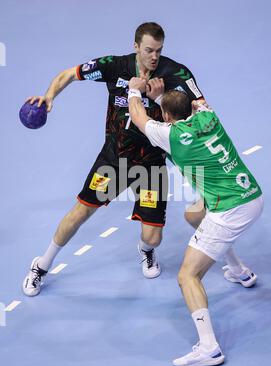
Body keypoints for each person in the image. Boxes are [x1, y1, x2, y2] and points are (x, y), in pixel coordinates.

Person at [22, 22, 206, 296]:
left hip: (151, 163)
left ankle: (145, 251)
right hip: (115, 159)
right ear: (135, 47)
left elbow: (201, 108)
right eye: (148, 50)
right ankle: (42, 264)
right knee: (80, 212)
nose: (154, 57)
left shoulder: (175, 73)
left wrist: (167, 101)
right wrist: (49, 95)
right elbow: (69, 74)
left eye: (158, 50)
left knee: (153, 237)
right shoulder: (114, 66)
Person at [127, 78, 264, 366]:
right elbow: (194, 102)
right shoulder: (207, 114)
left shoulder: (170, 135)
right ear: (190, 107)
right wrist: (164, 94)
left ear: (165, 115)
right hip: (252, 195)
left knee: (187, 276)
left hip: (230, 209)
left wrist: (134, 89)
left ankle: (209, 347)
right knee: (194, 214)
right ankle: (240, 272)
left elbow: (138, 117)